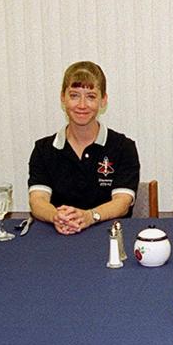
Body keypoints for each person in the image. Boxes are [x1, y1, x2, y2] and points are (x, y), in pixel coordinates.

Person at [27, 61, 140, 234]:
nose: (81, 105)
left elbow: (122, 203)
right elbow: (38, 200)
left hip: (107, 238)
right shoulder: (43, 149)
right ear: (62, 98)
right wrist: (56, 216)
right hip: (59, 236)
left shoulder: (124, 147)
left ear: (103, 100)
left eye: (91, 96)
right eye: (74, 95)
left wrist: (89, 217)